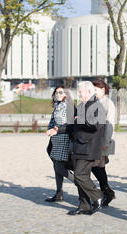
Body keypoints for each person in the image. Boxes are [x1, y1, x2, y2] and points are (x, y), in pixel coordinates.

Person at [47, 81, 105, 215]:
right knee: (82, 175)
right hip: (79, 146)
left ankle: (97, 195)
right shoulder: (81, 106)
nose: (78, 95)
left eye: (80, 92)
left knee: (79, 175)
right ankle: (84, 205)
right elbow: (72, 125)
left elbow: (96, 125)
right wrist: (57, 130)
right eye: (78, 92)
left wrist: (80, 120)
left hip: (89, 147)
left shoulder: (97, 106)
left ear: (89, 92)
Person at [45, 86, 75, 202]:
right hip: (55, 138)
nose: (58, 94)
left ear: (66, 94)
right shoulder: (57, 106)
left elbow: (70, 124)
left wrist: (57, 130)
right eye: (56, 92)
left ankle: (80, 182)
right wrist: (50, 131)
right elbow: (52, 121)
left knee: (59, 167)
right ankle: (59, 193)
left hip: (64, 138)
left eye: (60, 92)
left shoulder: (68, 106)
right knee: (56, 165)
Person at [91, 79, 116, 207]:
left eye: (96, 89)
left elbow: (110, 124)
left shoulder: (108, 103)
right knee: (99, 167)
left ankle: (106, 191)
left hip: (102, 142)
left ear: (103, 90)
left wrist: (106, 141)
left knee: (95, 166)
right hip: (95, 141)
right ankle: (106, 192)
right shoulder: (96, 102)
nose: (94, 92)